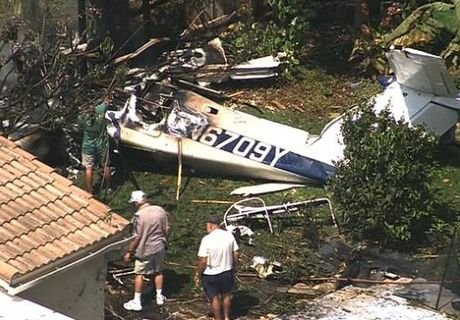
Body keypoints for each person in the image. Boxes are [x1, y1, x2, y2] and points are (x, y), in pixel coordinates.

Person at [123, 190, 171, 311]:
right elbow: (167, 228)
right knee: (159, 271)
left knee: (139, 274)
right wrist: (165, 241)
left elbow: (136, 237)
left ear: (138, 202)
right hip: (159, 246)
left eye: (134, 203)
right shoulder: (160, 210)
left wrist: (130, 251)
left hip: (145, 249)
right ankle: (159, 296)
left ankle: (137, 301)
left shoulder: (138, 216)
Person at [195, 215, 240, 320]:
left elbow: (203, 260)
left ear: (210, 225)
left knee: (213, 297)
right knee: (226, 295)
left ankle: (218, 318)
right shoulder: (229, 236)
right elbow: (236, 253)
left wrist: (198, 273)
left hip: (211, 274)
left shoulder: (207, 239)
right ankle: (227, 317)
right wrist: (234, 266)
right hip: (227, 271)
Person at [77, 96, 112, 194]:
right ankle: (108, 188)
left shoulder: (81, 118)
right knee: (106, 165)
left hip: (88, 146)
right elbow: (107, 101)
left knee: (89, 167)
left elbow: (80, 128)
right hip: (102, 144)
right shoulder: (100, 110)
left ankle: (90, 191)